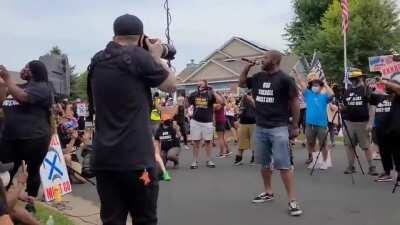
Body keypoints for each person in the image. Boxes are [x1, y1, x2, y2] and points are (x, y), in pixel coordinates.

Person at [87, 14, 176, 225]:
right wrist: (156, 56)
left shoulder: (97, 60)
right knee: (144, 219)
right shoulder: (138, 57)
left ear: (114, 35)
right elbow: (171, 84)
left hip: (105, 160)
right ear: (140, 37)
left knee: (112, 219)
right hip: (137, 160)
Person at [239, 50, 303, 216]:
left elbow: (295, 103)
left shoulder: (285, 79)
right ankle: (268, 192)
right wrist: (247, 67)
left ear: (274, 60)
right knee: (264, 163)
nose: (262, 59)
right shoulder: (258, 77)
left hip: (279, 127)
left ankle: (292, 200)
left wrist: (295, 125)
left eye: (265, 57)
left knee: (283, 164)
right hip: (260, 127)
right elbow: (241, 83)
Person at [0, 61, 53, 213]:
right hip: (11, 138)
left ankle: (31, 202)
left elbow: (23, 97)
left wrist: (8, 78)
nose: (23, 69)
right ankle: (3, 202)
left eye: (27, 67)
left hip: (34, 139)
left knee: (32, 171)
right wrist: (4, 85)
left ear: (35, 71)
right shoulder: (18, 86)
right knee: (7, 170)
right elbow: (2, 100)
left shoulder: (43, 87)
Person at [341, 68, 378, 175]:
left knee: (366, 146)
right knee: (349, 145)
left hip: (363, 122)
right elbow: (345, 106)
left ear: (360, 78)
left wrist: (371, 122)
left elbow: (372, 107)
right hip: (349, 122)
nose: (353, 80)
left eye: (355, 78)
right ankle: (351, 166)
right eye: (352, 78)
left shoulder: (367, 90)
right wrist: (342, 108)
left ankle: (372, 167)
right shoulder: (347, 91)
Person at [294, 72, 334, 169]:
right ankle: (316, 160)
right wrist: (297, 76)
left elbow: (332, 94)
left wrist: (324, 84)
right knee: (310, 143)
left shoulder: (324, 97)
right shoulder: (308, 94)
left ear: (320, 87)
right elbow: (302, 85)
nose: (315, 87)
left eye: (317, 85)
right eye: (313, 85)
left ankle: (325, 162)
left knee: (323, 144)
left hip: (321, 124)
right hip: (309, 124)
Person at [188, 80, 224, 169]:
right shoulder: (194, 94)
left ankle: (209, 160)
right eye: (198, 83)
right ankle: (194, 161)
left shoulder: (210, 94)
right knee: (196, 142)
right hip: (195, 121)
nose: (199, 84)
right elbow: (187, 104)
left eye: (201, 83)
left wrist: (213, 91)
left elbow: (221, 102)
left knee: (208, 141)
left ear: (206, 85)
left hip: (207, 122)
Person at [373, 76, 400, 183]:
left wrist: (385, 81)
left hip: (397, 130)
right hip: (383, 129)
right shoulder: (383, 96)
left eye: (389, 85)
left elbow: (398, 88)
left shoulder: (397, 95)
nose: (386, 86)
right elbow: (368, 96)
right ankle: (387, 173)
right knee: (384, 152)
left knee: (398, 153)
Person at [234, 92, 256, 166]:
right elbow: (241, 112)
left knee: (254, 142)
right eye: (246, 95)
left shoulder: (255, 100)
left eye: (248, 95)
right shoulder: (242, 102)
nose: (246, 96)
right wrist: (238, 120)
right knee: (241, 142)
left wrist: (252, 100)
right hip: (243, 124)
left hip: (254, 123)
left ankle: (254, 158)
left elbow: (259, 109)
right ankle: (239, 158)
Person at [214, 93, 230, 158]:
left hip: (219, 121)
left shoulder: (217, 105)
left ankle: (221, 153)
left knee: (220, 138)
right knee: (223, 137)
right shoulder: (222, 104)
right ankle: (228, 150)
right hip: (223, 120)